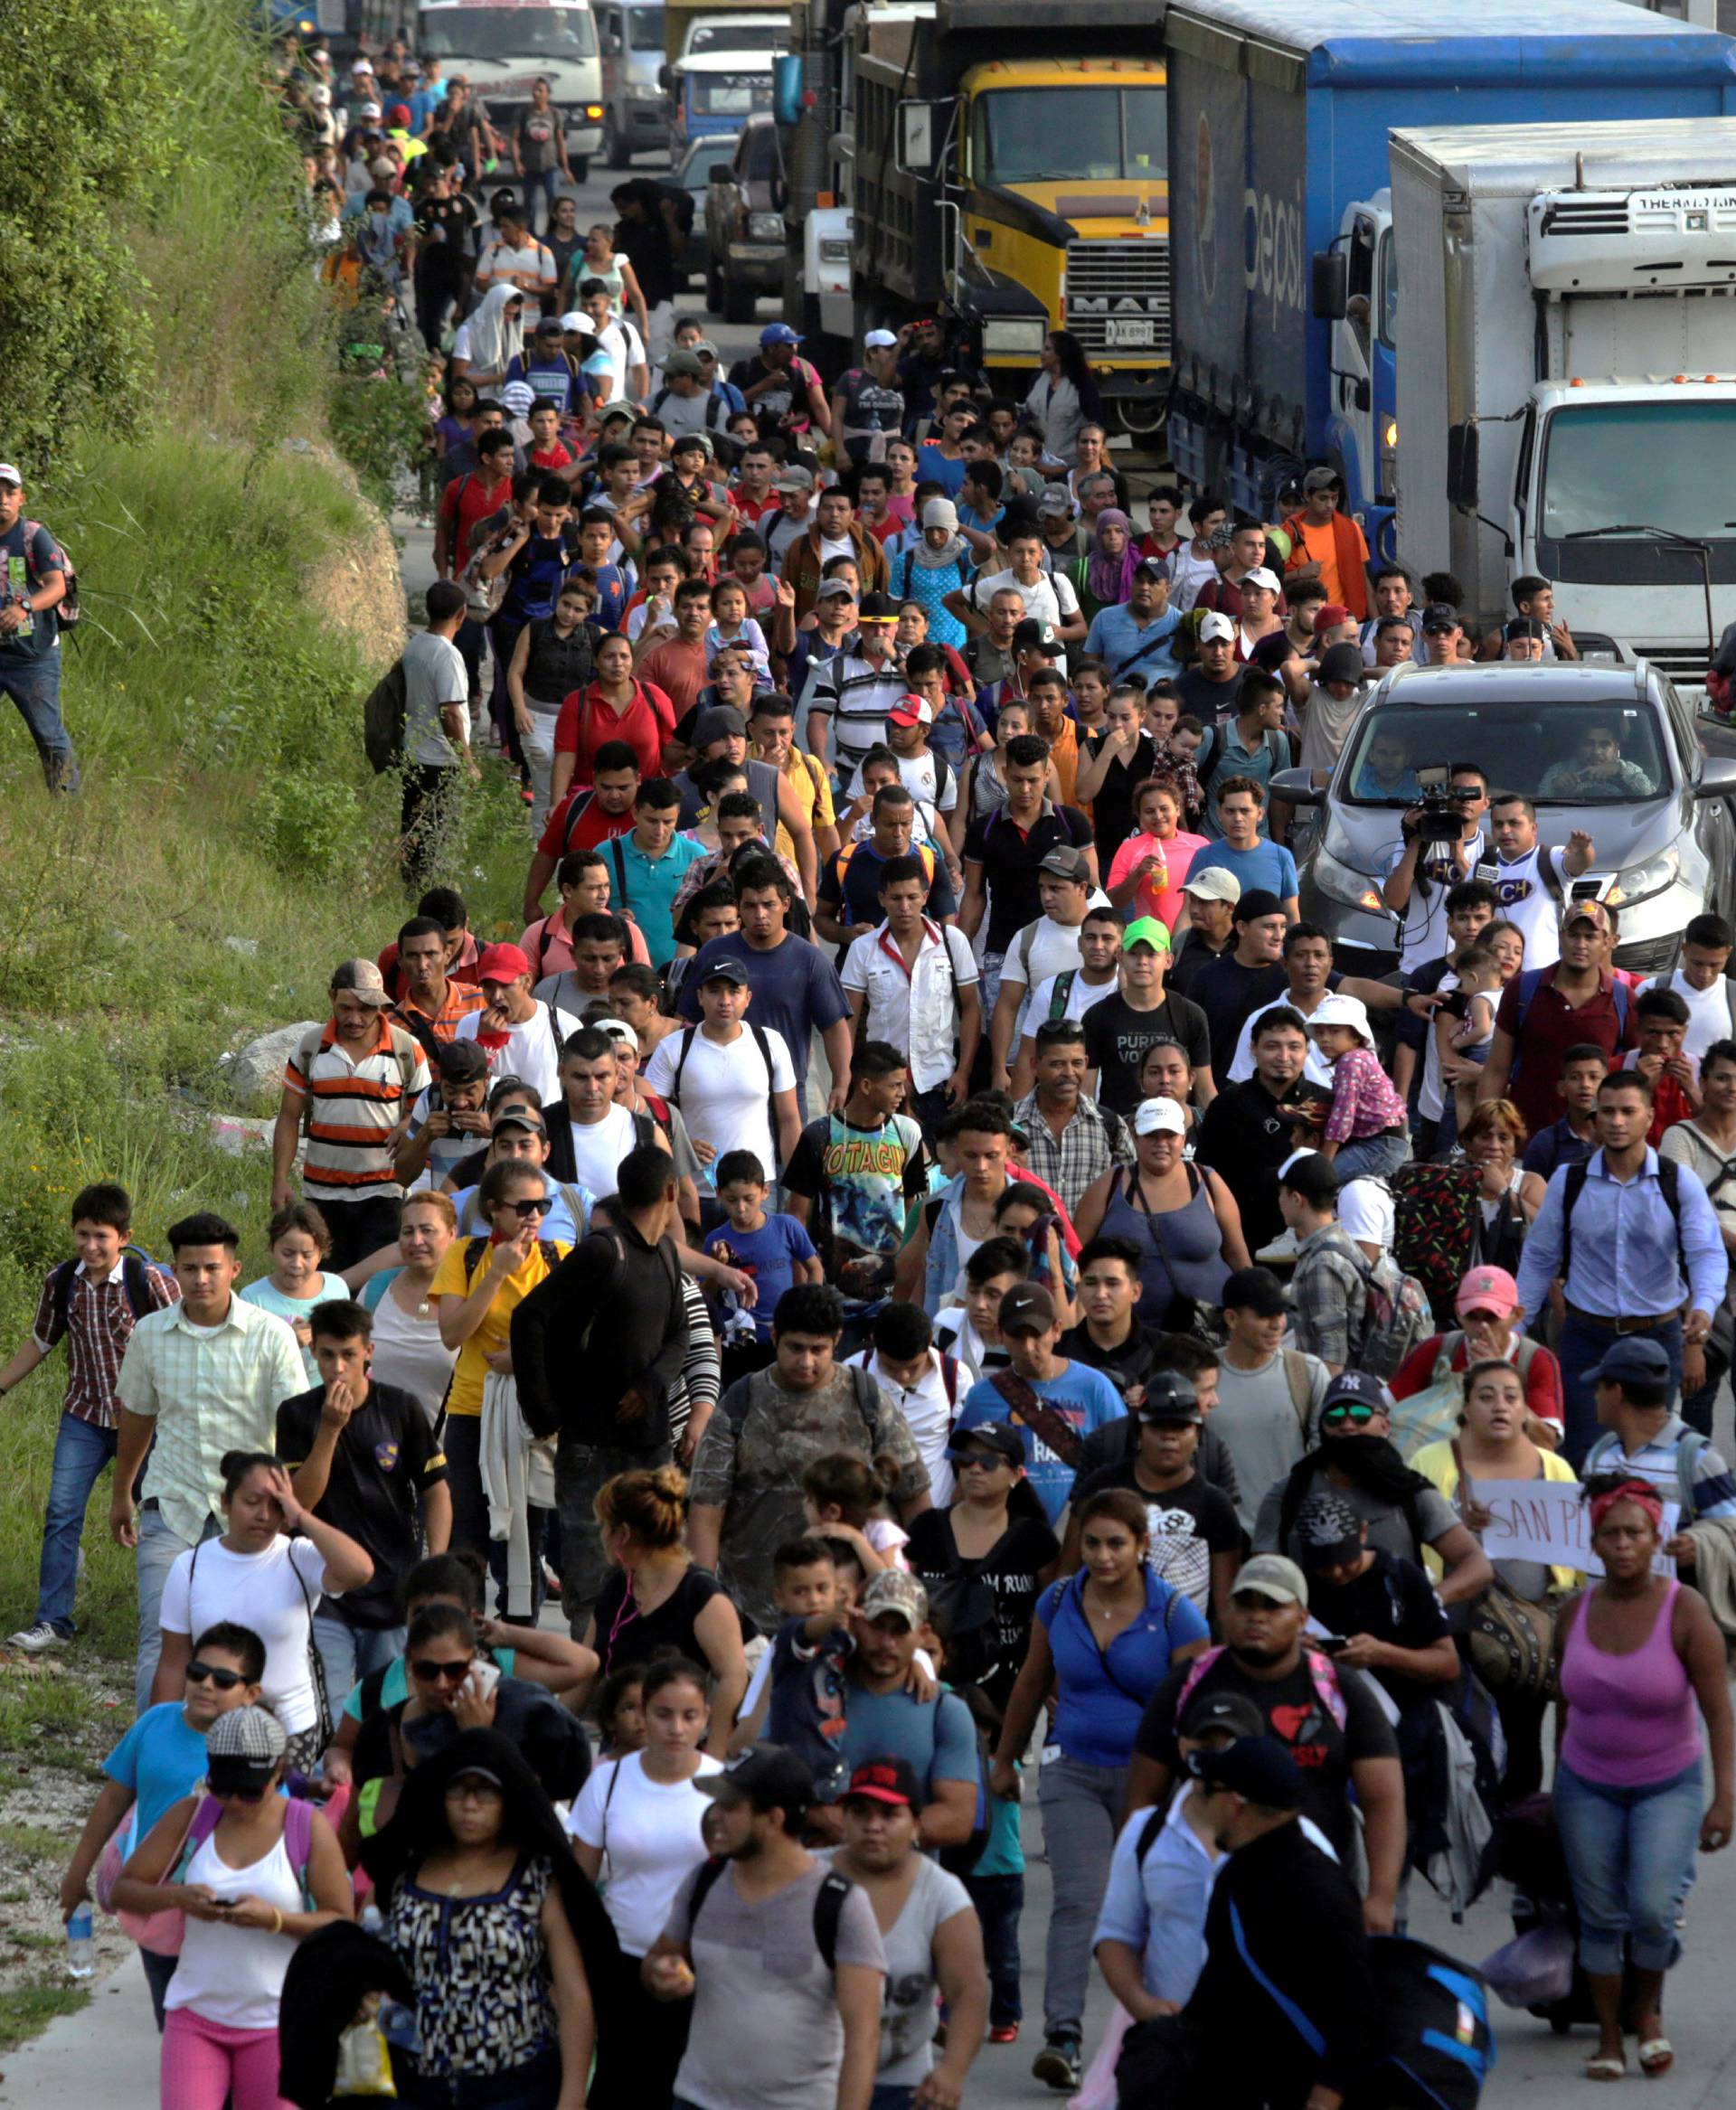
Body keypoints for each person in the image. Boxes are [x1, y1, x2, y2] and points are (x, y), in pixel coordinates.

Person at [991, 1488, 1209, 2090]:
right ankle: (1063, 2035)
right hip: (1072, 1768)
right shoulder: (1058, 1600)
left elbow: (1200, 1706)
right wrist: (1005, 1761)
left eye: (1117, 1543)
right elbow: (1031, 1681)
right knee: (1080, 1898)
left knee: (1163, 1903)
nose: (1104, 1556)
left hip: (1155, 1780)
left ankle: (1175, 2027)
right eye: (1092, 1543)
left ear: (1143, 1546)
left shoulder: (1174, 1615)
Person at [1554, 1480, 1734, 2081]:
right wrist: (1558, 1788)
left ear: (1656, 1539)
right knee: (1599, 1916)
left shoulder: (1686, 1612)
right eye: (1612, 1534)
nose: (1624, 1544)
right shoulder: (1574, 1612)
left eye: (1636, 1533)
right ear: (1595, 1543)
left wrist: (1724, 1798)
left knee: (1653, 1909)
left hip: (1667, 1784)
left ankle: (1646, 2012)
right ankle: (1608, 2039)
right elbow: (1565, 1707)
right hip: (1586, 1784)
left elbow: (1718, 1712)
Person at [1127, 1556, 1405, 1924]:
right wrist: (1135, 1894)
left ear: (1303, 1618)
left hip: (1318, 1891)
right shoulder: (1187, 1685)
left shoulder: (1338, 1688)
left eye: (1273, 1606)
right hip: (1203, 1895)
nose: (1256, 1617)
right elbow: (1143, 1797)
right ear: (1225, 1613)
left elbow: (1383, 1798)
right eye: (1245, 1604)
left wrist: (1381, 1899)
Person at [364, 1726, 620, 2110]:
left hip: (516, 2087)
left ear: (509, 1799)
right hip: (411, 2084)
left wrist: (572, 2096)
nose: (470, 1805)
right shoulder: (404, 1874)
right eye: (458, 1790)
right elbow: (364, 1955)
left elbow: (572, 1996)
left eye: (485, 1791)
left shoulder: (537, 1880)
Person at [112, 1213, 308, 1712]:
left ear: (234, 1269)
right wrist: (122, 1493)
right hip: (170, 1503)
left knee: (242, 1642)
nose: (201, 1279)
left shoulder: (271, 1336)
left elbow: (294, 1429)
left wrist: (293, 1510)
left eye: (212, 1267)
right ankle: (153, 1760)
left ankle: (237, 1759)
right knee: (161, 1638)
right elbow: (137, 1416)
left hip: (249, 1513)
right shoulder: (149, 1334)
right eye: (190, 1267)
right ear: (173, 1270)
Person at [112, 1705, 352, 2110]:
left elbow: (341, 1922)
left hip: (278, 2022)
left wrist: (274, 1919)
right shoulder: (193, 1815)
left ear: (279, 1772)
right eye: (222, 1789)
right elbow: (124, 1889)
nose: (235, 1802)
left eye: (249, 1791)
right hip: (194, 2015)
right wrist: (178, 1897)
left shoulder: (304, 1827)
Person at [1118, 1735, 1374, 2110]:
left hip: (1303, 2091)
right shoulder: (1237, 1874)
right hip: (1247, 2086)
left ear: (1235, 1803)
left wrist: (1325, 2098)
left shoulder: (1317, 1886)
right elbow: (1223, 1988)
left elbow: (1358, 2006)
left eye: (1206, 1792)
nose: (1196, 1802)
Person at [644, 1743, 885, 2110]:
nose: (714, 1817)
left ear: (773, 1819)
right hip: (696, 2101)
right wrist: (660, 1974)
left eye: (730, 1807)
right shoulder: (703, 1881)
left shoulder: (840, 1904)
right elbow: (658, 1961)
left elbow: (864, 2036)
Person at [512, 1144, 692, 1636]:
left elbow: (680, 1334)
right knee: (592, 1576)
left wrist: (651, 1384)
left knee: (658, 1566)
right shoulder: (601, 1251)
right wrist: (543, 1412)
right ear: (672, 1192)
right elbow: (530, 1317)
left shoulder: (669, 1255)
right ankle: (587, 1683)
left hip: (651, 1444)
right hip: (590, 1445)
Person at [686, 1282, 931, 1631]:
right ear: (774, 1336)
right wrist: (701, 1605)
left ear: (837, 1340)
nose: (806, 1362)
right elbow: (706, 1512)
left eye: (819, 1349)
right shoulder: (741, 1404)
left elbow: (914, 1494)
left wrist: (915, 1592)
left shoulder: (867, 1399)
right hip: (753, 1614)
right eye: (796, 1348)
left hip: (852, 1616)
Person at [1, 1181, 178, 1655]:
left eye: (102, 1236)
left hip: (149, 1421)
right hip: (84, 1414)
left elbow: (187, 1337)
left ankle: (170, 1622)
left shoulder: (149, 1282)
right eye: (83, 1234)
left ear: (124, 1236)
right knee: (62, 1511)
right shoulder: (63, 1282)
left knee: (164, 1516)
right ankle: (52, 1621)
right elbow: (41, 1341)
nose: (91, 1245)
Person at [60, 1621, 266, 2029]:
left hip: (225, 1904)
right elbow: (113, 1800)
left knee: (229, 2020)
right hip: (156, 1900)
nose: (206, 1685)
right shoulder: (155, 1724)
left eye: (223, 1679)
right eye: (196, 1673)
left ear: (251, 1693)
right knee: (173, 2020)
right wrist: (77, 1873)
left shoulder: (257, 1746)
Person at [1514, 1067, 1726, 1464]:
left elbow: (1706, 1253)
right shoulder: (1568, 1180)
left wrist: (1704, 1307)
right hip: (1585, 1337)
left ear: (1649, 1115)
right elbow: (1540, 1257)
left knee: (1651, 1455)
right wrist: (1516, 1326)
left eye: (1628, 1111)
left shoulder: (1677, 1182)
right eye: (1607, 1111)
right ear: (1595, 1116)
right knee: (1582, 1454)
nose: (1616, 1121)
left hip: (1657, 1336)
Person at [1412, 1357, 1577, 1804]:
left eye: (1511, 1397)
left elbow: (1576, 1563)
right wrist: (1456, 1523)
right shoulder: (1430, 1462)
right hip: (1452, 1634)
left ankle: (1515, 1839)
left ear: (1526, 1410)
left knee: (1524, 1744)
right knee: (1459, 1740)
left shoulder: (1554, 1468)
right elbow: (1410, 1536)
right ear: (1465, 1408)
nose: (1499, 1407)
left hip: (1529, 1640)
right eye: (1486, 1397)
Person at [151, 1449, 372, 1769]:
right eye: (252, 1502)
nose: (264, 1515)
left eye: (275, 1505)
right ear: (226, 1503)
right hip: (211, 1726)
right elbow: (173, 1662)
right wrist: (161, 1735)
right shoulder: (191, 1566)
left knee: (278, 1817)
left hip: (290, 1730)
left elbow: (359, 1571)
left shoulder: (298, 1557)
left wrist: (302, 1517)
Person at [276, 1300, 450, 1703]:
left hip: (392, 1589)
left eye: (348, 1355)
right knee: (331, 1711)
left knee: (389, 1708)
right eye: (327, 1355)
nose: (337, 1367)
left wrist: (436, 1565)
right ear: (313, 1351)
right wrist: (330, 1430)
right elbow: (299, 1503)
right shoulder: (296, 1414)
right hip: (324, 1593)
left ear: (368, 1353)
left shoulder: (400, 1407)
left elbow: (436, 1489)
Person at [568, 1658, 722, 2107]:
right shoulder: (608, 1782)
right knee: (622, 2084)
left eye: (689, 1716)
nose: (676, 1728)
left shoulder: (723, 1787)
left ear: (706, 1717)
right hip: (623, 1962)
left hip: (704, 1967)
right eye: (663, 1714)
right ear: (643, 1714)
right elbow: (581, 1883)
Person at [825, 1756, 989, 2110]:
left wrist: (952, 2071)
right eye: (861, 1813)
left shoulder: (942, 1893)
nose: (874, 1826)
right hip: (812, 2078)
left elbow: (969, 1992)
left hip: (901, 2081)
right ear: (844, 1819)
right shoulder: (808, 1877)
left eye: (889, 1814)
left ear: (916, 1824)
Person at [1255, 1370, 1495, 1609]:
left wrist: (1427, 1603)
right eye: (1335, 1416)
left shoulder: (1408, 1491)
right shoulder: (1288, 1493)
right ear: (1321, 1427)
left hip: (1397, 1641)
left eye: (1360, 1415)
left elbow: (1477, 1565)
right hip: (1312, 1639)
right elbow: (1262, 1577)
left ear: (1384, 1425)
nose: (1348, 1426)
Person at [274, 960, 431, 1269]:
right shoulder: (310, 1048)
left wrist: (405, 1124)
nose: (355, 1018)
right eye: (346, 1008)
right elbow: (289, 1117)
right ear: (332, 998)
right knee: (326, 1287)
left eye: (366, 1009)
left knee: (372, 1289)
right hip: (323, 1196)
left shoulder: (406, 1049)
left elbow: (423, 1113)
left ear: (381, 1006)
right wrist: (279, 1179)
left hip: (384, 1194)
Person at [584, 1468, 748, 1757]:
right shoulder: (617, 1588)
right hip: (622, 1753)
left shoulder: (700, 1593)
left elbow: (733, 1677)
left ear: (622, 1534)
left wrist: (714, 1757)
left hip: (680, 1753)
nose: (602, 1536)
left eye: (604, 1526)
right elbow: (587, 1669)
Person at [903, 1423, 1060, 1713]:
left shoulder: (1035, 1538)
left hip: (1008, 1686)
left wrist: (1049, 1678)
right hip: (930, 1679)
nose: (975, 1468)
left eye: (989, 1461)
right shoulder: (927, 1528)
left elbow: (1051, 1612)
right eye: (966, 1460)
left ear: (1016, 1474)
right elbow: (902, 1598)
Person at [1065, 1373, 1241, 1621]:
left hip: (1185, 1646)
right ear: (1139, 1432)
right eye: (1158, 1426)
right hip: (1101, 1640)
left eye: (1181, 1427)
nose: (1169, 1437)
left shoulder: (1215, 1505)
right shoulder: (1101, 1487)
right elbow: (1066, 1577)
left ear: (1198, 1434)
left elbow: (1226, 1608)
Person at [783, 1042, 929, 1322]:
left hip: (894, 1296)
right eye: (894, 1085)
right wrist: (802, 1288)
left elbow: (914, 1213)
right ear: (865, 1085)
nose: (902, 1094)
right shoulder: (819, 1135)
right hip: (833, 1297)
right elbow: (797, 1217)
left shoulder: (907, 1132)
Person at [1072, 1098, 1248, 1332]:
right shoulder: (1109, 1185)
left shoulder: (1209, 1182)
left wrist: (1252, 1313)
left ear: (1183, 1139)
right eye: (1151, 1136)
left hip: (1208, 1333)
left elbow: (1238, 1257)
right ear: (1135, 1138)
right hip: (1129, 1338)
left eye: (1170, 1136)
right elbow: (1074, 1259)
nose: (1161, 1144)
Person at [1391, 1261, 1564, 1445]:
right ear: (1458, 1313)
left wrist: (1499, 1374)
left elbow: (1546, 1442)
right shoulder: (1435, 1350)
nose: (1481, 1327)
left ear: (1517, 1316)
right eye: (1472, 1316)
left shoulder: (1536, 1360)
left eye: (1492, 1317)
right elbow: (1384, 1406)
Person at [0, 464, 79, 790]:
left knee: (48, 735)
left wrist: (24, 607)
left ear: (22, 499)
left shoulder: (34, 536)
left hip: (33, 658)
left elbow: (57, 587)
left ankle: (67, 809)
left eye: (10, 493)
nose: (2, 499)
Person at [355, 1189, 460, 1429]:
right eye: (408, 1231)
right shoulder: (376, 1289)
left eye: (427, 1230)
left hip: (450, 1455)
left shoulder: (471, 1296)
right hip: (378, 1448)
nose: (416, 1241)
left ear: (452, 1234)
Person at [397, 580, 477, 886]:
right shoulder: (447, 655)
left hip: (414, 752)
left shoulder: (416, 644)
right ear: (462, 613)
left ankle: (409, 885)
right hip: (440, 761)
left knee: (413, 828)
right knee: (434, 835)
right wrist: (467, 761)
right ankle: (421, 890)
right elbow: (451, 713)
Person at [239, 1202, 351, 1386]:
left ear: (320, 1254)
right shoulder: (252, 1298)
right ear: (271, 1248)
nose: (297, 1263)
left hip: (327, 1394)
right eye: (288, 1253)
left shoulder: (336, 1288)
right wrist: (288, 1342)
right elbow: (245, 1363)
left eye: (307, 1255)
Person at [1306, 992, 1411, 1182]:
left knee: (1320, 1182)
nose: (1324, 1039)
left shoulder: (1351, 1061)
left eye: (1335, 1031)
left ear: (1355, 1036)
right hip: (1380, 1141)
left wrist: (1324, 1162)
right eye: (1320, 1032)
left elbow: (1342, 1117)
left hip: (1380, 1144)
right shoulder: (1356, 1058)